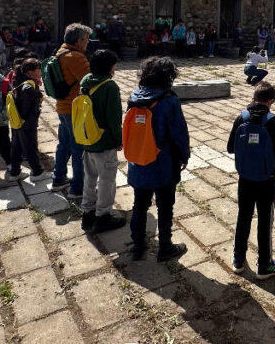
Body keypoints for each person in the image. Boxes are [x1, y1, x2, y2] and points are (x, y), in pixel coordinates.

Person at [125, 57, 191, 262]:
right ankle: (165, 247)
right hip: (163, 163)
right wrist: (184, 156)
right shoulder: (169, 100)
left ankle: (138, 246)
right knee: (165, 207)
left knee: (139, 205)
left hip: (138, 161)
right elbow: (179, 133)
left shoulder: (134, 97)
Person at [227, 81, 275, 279]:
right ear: (271, 101)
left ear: (254, 98)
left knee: (243, 215)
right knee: (265, 219)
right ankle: (265, 264)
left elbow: (230, 147)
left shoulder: (241, 117)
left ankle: (238, 259)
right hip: (267, 179)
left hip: (245, 177)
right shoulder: (273, 121)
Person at [78, 49, 126, 233]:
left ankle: (87, 212)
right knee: (107, 179)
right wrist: (118, 140)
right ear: (110, 67)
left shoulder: (85, 81)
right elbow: (114, 118)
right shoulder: (109, 87)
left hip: (87, 138)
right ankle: (103, 215)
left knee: (89, 177)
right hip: (104, 140)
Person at [52, 23, 92, 198]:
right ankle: (77, 188)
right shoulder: (76, 57)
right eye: (87, 39)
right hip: (74, 108)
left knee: (64, 144)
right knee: (78, 148)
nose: (88, 43)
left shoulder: (60, 52)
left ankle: (58, 177)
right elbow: (89, 80)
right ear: (80, 40)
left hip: (62, 105)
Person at [8, 59, 50, 182]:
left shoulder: (18, 78)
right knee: (30, 146)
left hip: (16, 120)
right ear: (31, 72)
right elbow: (27, 94)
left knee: (17, 147)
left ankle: (14, 172)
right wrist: (37, 97)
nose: (40, 72)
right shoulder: (29, 83)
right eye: (39, 69)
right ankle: (37, 172)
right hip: (25, 121)